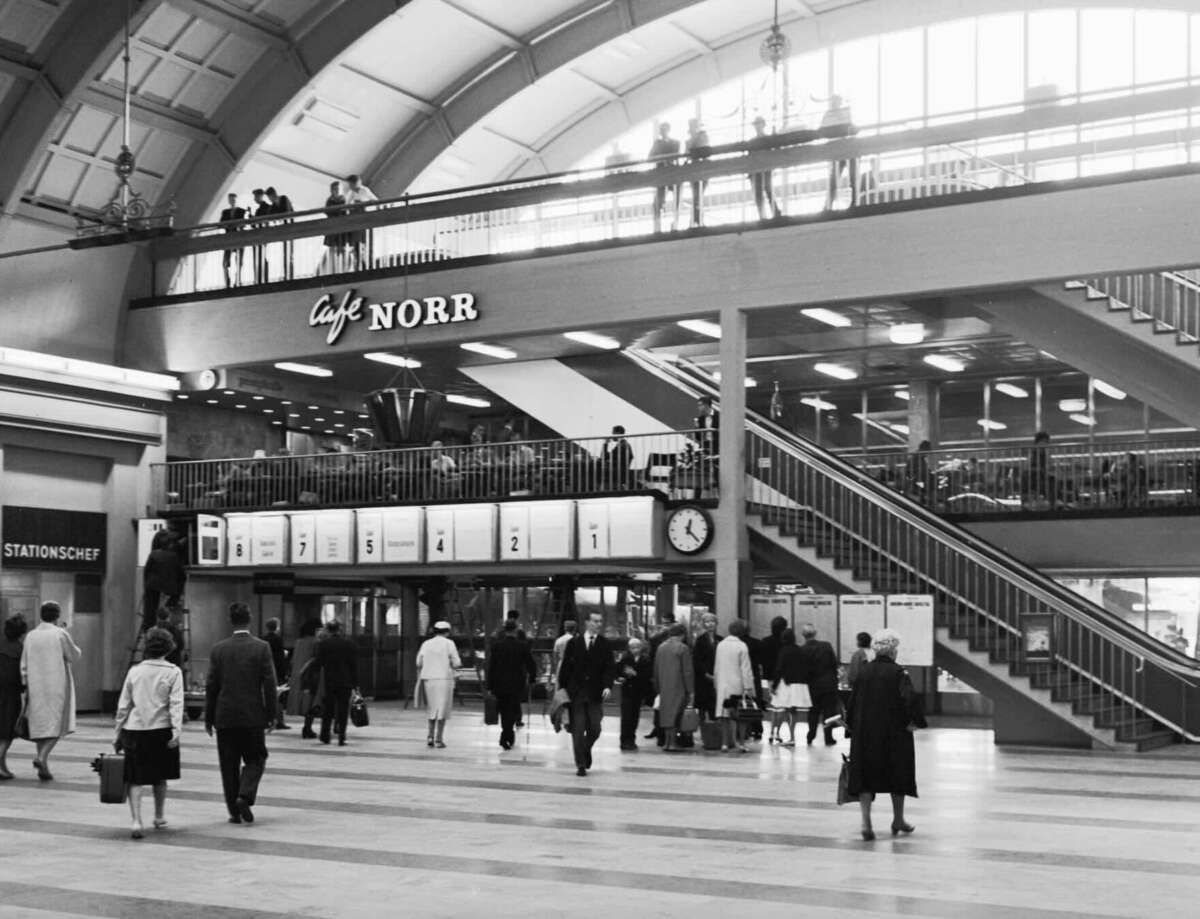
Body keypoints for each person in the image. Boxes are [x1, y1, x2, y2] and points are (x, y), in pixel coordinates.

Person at [846, 628, 926, 840]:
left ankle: (866, 822)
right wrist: (916, 722)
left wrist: (851, 727)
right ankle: (898, 819)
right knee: (897, 773)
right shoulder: (899, 673)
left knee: (865, 775)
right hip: (894, 732)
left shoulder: (863, 672)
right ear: (893, 651)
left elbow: (852, 702)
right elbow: (909, 700)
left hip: (865, 732)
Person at [205, 602, 276, 824]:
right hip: (252, 715)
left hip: (225, 716)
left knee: (228, 764)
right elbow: (269, 684)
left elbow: (211, 686)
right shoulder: (261, 647)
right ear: (250, 619)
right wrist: (271, 714)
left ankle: (233, 812)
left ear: (230, 620)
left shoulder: (218, 649)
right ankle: (244, 795)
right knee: (256, 758)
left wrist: (209, 717)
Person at [114, 627, 183, 839]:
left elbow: (123, 705)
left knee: (135, 778)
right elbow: (176, 704)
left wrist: (118, 732)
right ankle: (159, 816)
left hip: (134, 730)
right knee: (160, 776)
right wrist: (176, 730)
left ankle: (136, 820)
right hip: (161, 730)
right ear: (168, 648)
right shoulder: (173, 672)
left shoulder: (135, 671)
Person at [20, 601, 82, 781]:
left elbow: (23, 664)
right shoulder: (60, 634)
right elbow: (74, 655)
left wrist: (25, 683)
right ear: (57, 616)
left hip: (35, 685)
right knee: (57, 725)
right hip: (57, 685)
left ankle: (43, 768)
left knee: (40, 726)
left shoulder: (30, 636)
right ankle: (41, 757)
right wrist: (66, 631)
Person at [557, 610, 616, 776]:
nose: (598, 624)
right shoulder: (574, 643)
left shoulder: (604, 644)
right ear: (587, 623)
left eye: (600, 621)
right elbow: (565, 669)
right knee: (578, 728)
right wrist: (563, 690)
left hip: (595, 694)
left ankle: (585, 748)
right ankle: (580, 764)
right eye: (595, 621)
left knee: (595, 728)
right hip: (576, 694)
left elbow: (609, 668)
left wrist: (607, 686)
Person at [487, 620, 536, 750]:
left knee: (504, 710)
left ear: (504, 630)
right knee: (514, 709)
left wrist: (489, 686)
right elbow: (531, 664)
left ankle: (506, 734)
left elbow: (492, 667)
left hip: (500, 684)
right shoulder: (522, 646)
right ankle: (507, 735)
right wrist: (532, 678)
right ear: (516, 630)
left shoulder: (497, 646)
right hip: (517, 684)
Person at [416, 620, 461, 748]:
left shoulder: (426, 643)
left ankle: (429, 736)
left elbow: (418, 662)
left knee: (432, 708)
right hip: (444, 680)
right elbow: (457, 662)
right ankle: (439, 739)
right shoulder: (449, 643)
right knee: (442, 710)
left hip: (429, 679)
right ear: (447, 631)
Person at [713, 619, 756, 752]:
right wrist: (749, 687)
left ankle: (725, 743)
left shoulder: (720, 645)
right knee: (741, 715)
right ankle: (741, 742)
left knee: (724, 715)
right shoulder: (742, 646)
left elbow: (717, 667)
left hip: (722, 684)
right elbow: (746, 669)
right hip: (738, 685)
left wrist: (716, 683)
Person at [651, 622, 694, 752]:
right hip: (679, 685)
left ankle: (667, 742)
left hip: (664, 685)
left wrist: (657, 686)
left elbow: (656, 668)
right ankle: (673, 742)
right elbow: (687, 671)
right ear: (682, 634)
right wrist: (690, 690)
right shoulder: (683, 648)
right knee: (677, 715)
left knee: (666, 714)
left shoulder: (661, 647)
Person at [314, 620, 357, 746]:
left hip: (329, 680)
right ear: (339, 629)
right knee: (343, 709)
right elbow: (353, 665)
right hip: (345, 681)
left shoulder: (324, 644)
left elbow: (318, 662)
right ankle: (341, 736)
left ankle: (325, 735)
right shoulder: (349, 644)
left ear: (328, 630)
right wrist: (355, 683)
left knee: (328, 709)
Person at [797, 623, 840, 746]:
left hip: (812, 686)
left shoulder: (802, 650)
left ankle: (811, 736)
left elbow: (803, 670)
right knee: (829, 712)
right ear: (815, 633)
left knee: (813, 712)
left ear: (803, 636)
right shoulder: (826, 646)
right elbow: (833, 664)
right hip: (828, 684)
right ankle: (828, 738)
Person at [770, 628, 811, 747]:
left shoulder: (784, 651)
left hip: (787, 684)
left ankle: (775, 733)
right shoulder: (800, 650)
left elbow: (779, 669)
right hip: (800, 685)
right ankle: (792, 737)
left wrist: (774, 685)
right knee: (793, 712)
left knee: (783, 710)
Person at [0, 614, 28, 779]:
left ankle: (3, 767)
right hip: (11, 695)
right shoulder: (20, 650)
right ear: (21, 632)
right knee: (7, 732)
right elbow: (22, 676)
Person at [142, 529, 185, 632]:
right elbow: (181, 576)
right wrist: (178, 593)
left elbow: (146, 571)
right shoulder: (174, 556)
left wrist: (146, 586)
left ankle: (149, 633)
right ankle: (169, 634)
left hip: (152, 587)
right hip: (169, 590)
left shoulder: (153, 554)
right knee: (167, 614)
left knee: (150, 613)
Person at [821, 94, 858, 208]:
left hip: (848, 147)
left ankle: (854, 201)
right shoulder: (829, 114)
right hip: (837, 149)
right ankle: (829, 203)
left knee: (852, 175)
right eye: (833, 101)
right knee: (834, 177)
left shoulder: (843, 113)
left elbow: (851, 127)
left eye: (836, 101)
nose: (834, 103)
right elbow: (823, 130)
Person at [616, 637, 653, 751]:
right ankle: (624, 741)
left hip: (638, 691)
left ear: (641, 648)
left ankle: (631, 740)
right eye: (632, 648)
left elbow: (647, 675)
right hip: (627, 691)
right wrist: (621, 677)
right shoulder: (625, 658)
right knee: (626, 717)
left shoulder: (645, 659)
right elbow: (618, 671)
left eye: (637, 647)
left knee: (634, 717)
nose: (635, 650)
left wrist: (635, 674)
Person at [286, 619, 320, 734]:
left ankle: (307, 727)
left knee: (302, 701)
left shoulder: (299, 642)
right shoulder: (315, 642)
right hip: (309, 675)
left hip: (297, 675)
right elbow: (316, 659)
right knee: (311, 701)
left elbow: (293, 660)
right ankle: (307, 727)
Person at [758, 615, 788, 743]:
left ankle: (771, 732)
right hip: (783, 678)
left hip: (769, 677)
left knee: (773, 705)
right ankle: (778, 732)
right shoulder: (786, 643)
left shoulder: (764, 641)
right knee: (782, 707)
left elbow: (761, 660)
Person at [648, 121, 681, 232]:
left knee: (676, 199)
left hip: (672, 173)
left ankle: (675, 223)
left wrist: (664, 158)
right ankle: (658, 225)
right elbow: (650, 158)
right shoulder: (657, 143)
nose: (662, 132)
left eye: (664, 129)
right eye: (661, 130)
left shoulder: (675, 142)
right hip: (662, 174)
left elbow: (675, 156)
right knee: (659, 200)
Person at [748, 115, 781, 220]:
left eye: (759, 124)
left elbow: (776, 150)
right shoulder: (753, 141)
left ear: (763, 125)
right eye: (756, 125)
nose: (757, 127)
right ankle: (764, 215)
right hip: (758, 169)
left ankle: (773, 213)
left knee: (768, 190)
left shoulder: (766, 139)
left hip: (765, 169)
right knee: (759, 193)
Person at [691, 611, 720, 720]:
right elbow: (697, 660)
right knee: (703, 705)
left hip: (717, 674)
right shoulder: (700, 640)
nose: (710, 624)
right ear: (703, 624)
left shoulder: (720, 639)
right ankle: (704, 729)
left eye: (712, 621)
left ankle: (714, 730)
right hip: (703, 677)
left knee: (715, 705)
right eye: (707, 622)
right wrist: (706, 674)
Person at [345, 173, 378, 269]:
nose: (350, 186)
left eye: (351, 184)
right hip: (354, 218)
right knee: (356, 241)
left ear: (356, 183)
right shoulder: (351, 193)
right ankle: (357, 262)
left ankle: (367, 263)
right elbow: (346, 205)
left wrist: (365, 204)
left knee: (364, 241)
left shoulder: (364, 190)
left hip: (364, 217)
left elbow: (375, 201)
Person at [261, 618, 289, 729]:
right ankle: (279, 720)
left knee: (265, 695)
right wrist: (284, 672)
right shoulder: (278, 639)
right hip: (276, 670)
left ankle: (265, 719)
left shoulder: (263, 639)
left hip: (264, 670)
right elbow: (280, 658)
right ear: (276, 627)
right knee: (279, 696)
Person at [685, 118, 710, 228]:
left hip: (702, 169)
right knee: (696, 195)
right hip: (694, 170)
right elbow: (688, 152)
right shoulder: (689, 140)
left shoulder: (703, 136)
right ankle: (696, 219)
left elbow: (702, 149)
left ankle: (696, 219)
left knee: (698, 195)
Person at [218, 192, 246, 287]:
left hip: (239, 238)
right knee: (226, 262)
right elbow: (220, 224)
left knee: (239, 261)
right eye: (231, 199)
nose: (232, 201)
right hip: (228, 239)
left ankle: (237, 280)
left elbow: (243, 223)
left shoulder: (242, 211)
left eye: (233, 199)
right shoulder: (225, 212)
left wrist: (232, 224)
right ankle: (228, 282)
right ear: (229, 201)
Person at [250, 188, 272, 282]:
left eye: (256, 196)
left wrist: (252, 218)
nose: (255, 198)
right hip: (260, 235)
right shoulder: (261, 208)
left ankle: (261, 278)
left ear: (260, 196)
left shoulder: (265, 207)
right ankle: (260, 277)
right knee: (260, 256)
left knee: (260, 256)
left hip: (262, 235)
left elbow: (259, 223)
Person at [602, 425, 634, 490]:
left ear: (618, 433)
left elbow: (605, 457)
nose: (612, 435)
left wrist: (605, 444)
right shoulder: (623, 444)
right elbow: (607, 457)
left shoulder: (621, 446)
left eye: (613, 433)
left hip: (617, 472)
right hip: (621, 471)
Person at [551, 618, 577, 687]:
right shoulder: (576, 641)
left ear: (565, 629)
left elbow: (555, 656)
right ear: (574, 629)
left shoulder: (559, 640)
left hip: (561, 665)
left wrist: (556, 666)